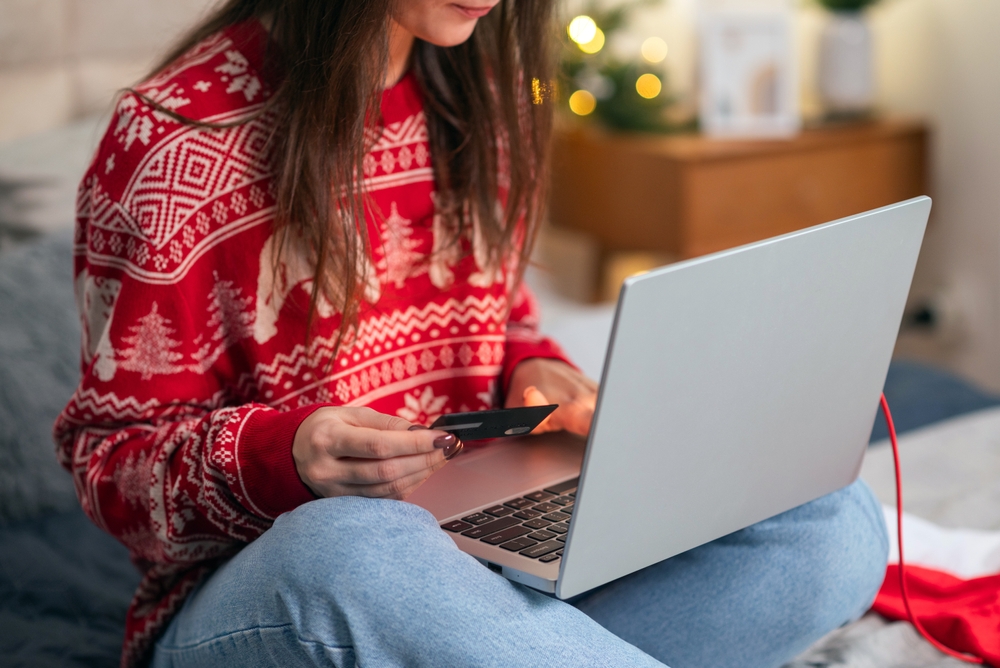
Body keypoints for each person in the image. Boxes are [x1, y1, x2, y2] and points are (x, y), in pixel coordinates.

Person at [54, 1, 888, 666]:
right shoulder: (172, 138)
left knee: (828, 516)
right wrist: (288, 455)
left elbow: (503, 315)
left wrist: (534, 370)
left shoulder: (486, 93)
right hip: (292, 589)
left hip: (488, 556)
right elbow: (109, 464)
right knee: (360, 547)